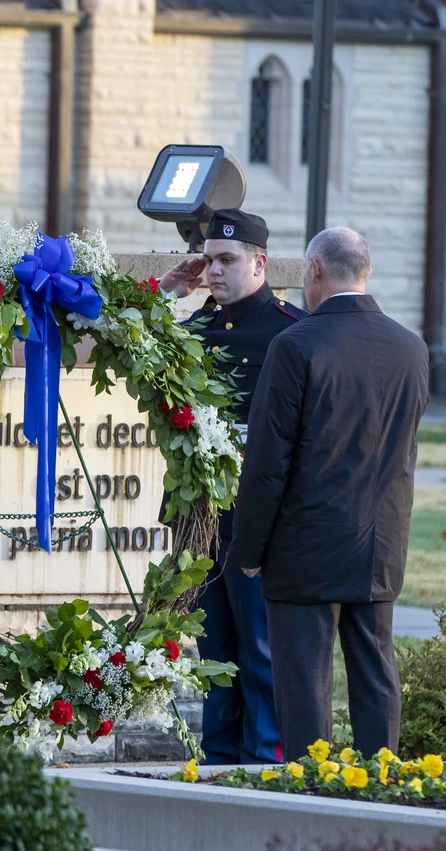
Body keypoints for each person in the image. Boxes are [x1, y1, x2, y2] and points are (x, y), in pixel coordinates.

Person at [229, 226, 429, 757]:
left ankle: (312, 796)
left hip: (304, 546)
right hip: (379, 546)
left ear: (314, 270)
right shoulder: (412, 349)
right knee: (376, 675)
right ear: (365, 272)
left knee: (304, 685)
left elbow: (268, 463)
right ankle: (380, 784)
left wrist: (247, 548)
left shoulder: (296, 344)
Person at [157, 207, 305, 764]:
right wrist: (165, 293)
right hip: (199, 514)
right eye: (209, 261)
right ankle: (219, 756)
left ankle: (265, 757)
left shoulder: (291, 332)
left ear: (260, 263)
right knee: (213, 643)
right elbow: (126, 340)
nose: (214, 271)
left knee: (260, 644)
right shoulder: (192, 327)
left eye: (227, 260)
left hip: (256, 515)